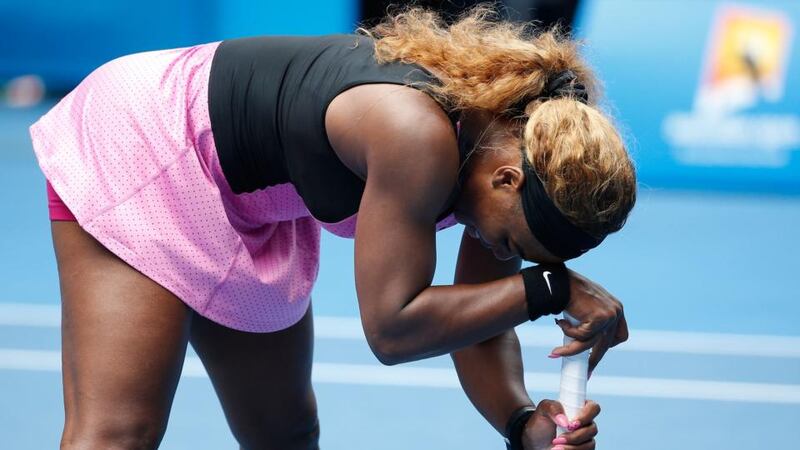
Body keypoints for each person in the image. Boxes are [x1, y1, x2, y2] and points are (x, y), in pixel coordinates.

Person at [29, 5, 635, 450]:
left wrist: (520, 423)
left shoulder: (504, 157)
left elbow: (478, 325)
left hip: (251, 203)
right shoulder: (417, 136)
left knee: (285, 434)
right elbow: (393, 329)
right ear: (507, 179)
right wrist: (553, 288)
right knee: (119, 434)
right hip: (148, 141)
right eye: (509, 244)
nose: (497, 250)